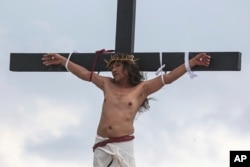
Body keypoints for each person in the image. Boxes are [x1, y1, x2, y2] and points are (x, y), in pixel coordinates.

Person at [42, 52, 211, 167]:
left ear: (128, 68)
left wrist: (191, 62)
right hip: (102, 141)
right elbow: (85, 74)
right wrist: (64, 61)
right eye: (112, 67)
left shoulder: (142, 88)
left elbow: (168, 78)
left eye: (117, 66)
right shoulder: (107, 83)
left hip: (123, 143)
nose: (113, 69)